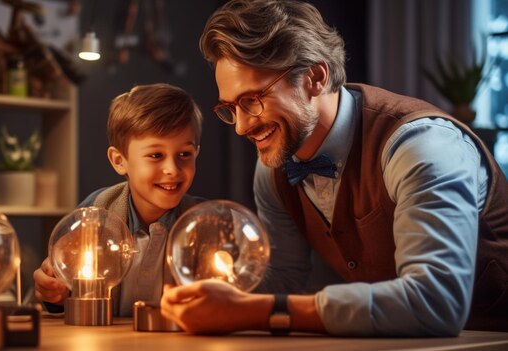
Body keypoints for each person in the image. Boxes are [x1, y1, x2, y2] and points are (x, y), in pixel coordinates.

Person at [161, 0, 508, 336]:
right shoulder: (274, 169)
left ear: (314, 77)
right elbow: (283, 277)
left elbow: (437, 303)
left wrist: (257, 311)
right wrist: (213, 291)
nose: (240, 126)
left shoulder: (420, 146)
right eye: (230, 108)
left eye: (252, 100)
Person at [34, 83, 203, 317]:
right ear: (118, 160)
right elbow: (64, 290)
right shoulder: (94, 216)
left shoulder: (203, 224)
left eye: (185, 154)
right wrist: (54, 293)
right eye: (156, 155)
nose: (172, 169)